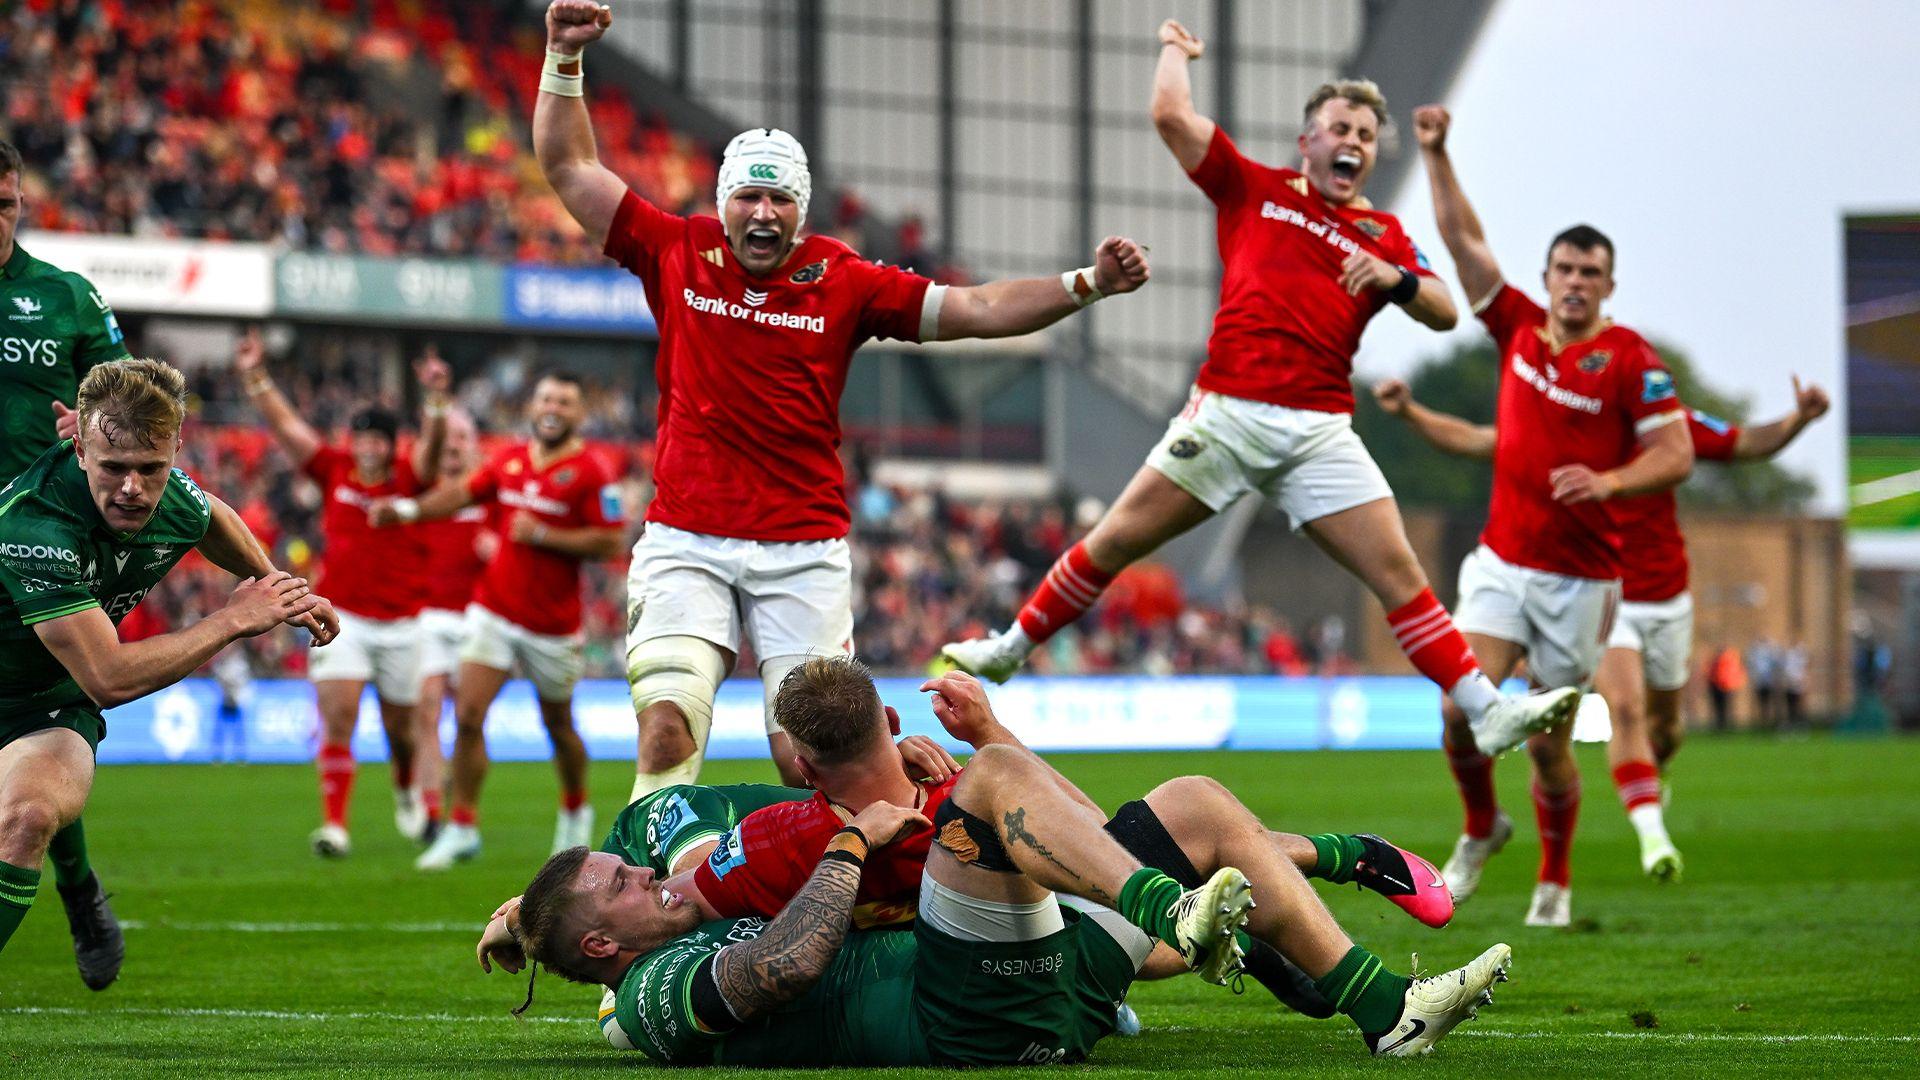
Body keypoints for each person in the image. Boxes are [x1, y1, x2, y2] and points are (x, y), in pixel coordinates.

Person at [532, 0, 1151, 803]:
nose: (762, 213)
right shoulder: (675, 249)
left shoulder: (845, 280)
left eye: (780, 201)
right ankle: (656, 903)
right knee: (665, 729)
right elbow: (571, 169)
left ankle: (868, 879)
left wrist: (1087, 284)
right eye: (748, 198)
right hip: (686, 536)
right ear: (722, 201)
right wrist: (561, 56)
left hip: (802, 549)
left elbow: (980, 309)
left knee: (807, 759)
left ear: (802, 209)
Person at [941, 19, 1576, 759]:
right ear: (1307, 140)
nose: (1355, 142)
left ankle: (1486, 709)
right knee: (1114, 540)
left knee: (1399, 572)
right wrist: (1175, 50)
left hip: (1319, 432)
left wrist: (1397, 280)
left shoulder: (1385, 235)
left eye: (1367, 135)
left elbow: (1441, 308)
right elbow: (1170, 117)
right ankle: (1011, 648)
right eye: (1341, 127)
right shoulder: (1256, 188)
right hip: (1229, 413)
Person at [485, 659, 1512, 1064]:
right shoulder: (653, 990)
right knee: (995, 784)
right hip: (968, 1014)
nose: (641, 867)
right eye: (622, 882)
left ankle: (1391, 1015)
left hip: (1040, 965)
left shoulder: (699, 886)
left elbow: (1070, 835)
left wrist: (518, 921)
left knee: (1190, 801)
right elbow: (783, 969)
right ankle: (1192, 915)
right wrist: (857, 841)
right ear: (606, 941)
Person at [1411, 103, 1697, 925]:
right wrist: (1437, 153)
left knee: (1546, 745)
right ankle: (1481, 827)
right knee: (1456, 708)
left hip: (1582, 585)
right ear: (1547, 279)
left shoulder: (1632, 360)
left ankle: (1555, 881)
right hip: (1504, 561)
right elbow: (1464, 245)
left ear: (1609, 285)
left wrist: (1609, 485)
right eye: (1563, 270)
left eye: (1589, 273)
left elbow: (1675, 453)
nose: (1574, 283)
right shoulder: (1518, 330)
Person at [1374, 374, 1829, 881]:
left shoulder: (1669, 426)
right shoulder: (1558, 423)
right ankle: (1631, 844)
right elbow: (1480, 440)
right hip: (1593, 592)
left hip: (1664, 595)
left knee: (1664, 728)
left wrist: (1798, 419)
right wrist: (1411, 412)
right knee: (1619, 712)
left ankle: (1651, 777)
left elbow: (1744, 442)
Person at [0, 359, 338, 963]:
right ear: (79, 450)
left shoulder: (167, 492)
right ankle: (80, 888)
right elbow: (108, 676)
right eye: (113, 468)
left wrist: (278, 587)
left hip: (48, 703)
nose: (132, 488)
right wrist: (232, 618)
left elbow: (212, 517)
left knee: (25, 817)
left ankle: (78, 890)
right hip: (67, 676)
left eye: (150, 469)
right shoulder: (36, 525)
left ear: (176, 450)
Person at [370, 370, 626, 870]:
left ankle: (575, 809)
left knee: (559, 726)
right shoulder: (508, 459)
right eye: (547, 398)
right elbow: (460, 493)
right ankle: (462, 825)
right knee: (467, 717)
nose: (553, 408)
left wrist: (546, 536)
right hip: (494, 610)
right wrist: (405, 510)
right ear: (533, 406)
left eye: (565, 402)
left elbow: (612, 541)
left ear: (579, 414)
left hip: (552, 625)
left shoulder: (593, 471)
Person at [0, 136, 138, 990]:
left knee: (41, 718)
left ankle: (78, 889)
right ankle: (78, 884)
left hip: (42, 542)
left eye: (5, 203)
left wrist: (92, 424)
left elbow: (130, 407)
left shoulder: (63, 297)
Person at [235, 331, 450, 857]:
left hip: (403, 623)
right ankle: (335, 825)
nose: (369, 446)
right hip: (344, 617)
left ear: (392, 443)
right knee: (338, 715)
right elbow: (287, 428)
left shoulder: (410, 475)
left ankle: (404, 788)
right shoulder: (334, 468)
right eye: (362, 438)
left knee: (402, 731)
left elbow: (436, 447)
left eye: (378, 438)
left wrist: (437, 402)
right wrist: (255, 377)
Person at [409, 400, 492, 843]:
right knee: (427, 706)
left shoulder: (489, 495)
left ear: (475, 446)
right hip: (432, 613)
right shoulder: (426, 495)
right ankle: (431, 813)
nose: (455, 446)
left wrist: (496, 551)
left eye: (463, 437)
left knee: (468, 719)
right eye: (449, 438)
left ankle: (464, 807)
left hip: (478, 617)